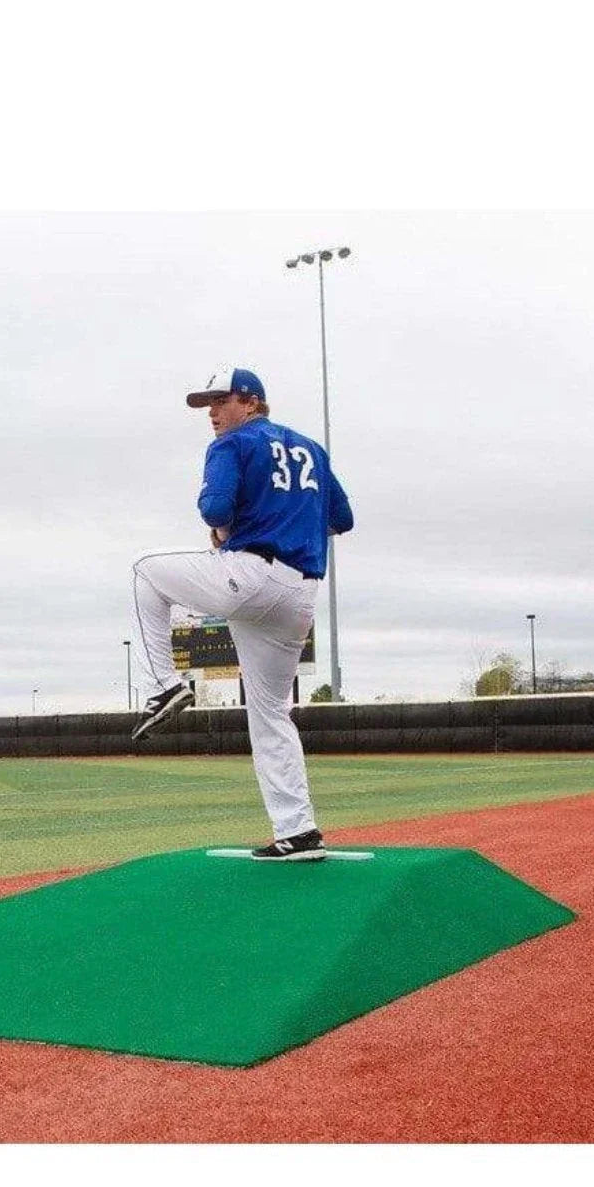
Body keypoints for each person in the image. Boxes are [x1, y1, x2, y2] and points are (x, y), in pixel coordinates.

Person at [129, 365, 354, 861]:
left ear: (251, 403)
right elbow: (343, 519)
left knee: (145, 571)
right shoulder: (311, 450)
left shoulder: (232, 444)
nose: (212, 412)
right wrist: (289, 524)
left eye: (221, 401)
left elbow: (215, 510)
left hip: (251, 575)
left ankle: (163, 685)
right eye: (207, 404)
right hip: (300, 593)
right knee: (271, 712)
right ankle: (298, 831)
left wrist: (226, 529)